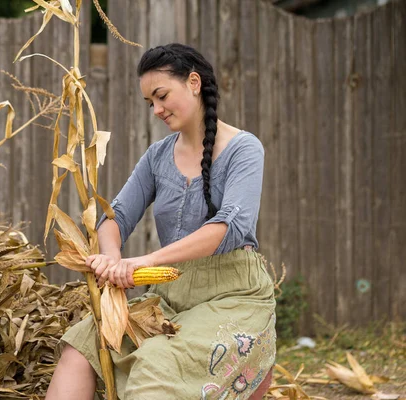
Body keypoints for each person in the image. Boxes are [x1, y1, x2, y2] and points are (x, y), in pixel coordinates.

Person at [45, 43, 276, 400]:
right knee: (82, 345)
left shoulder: (244, 149)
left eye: (161, 95)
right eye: (149, 102)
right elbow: (115, 217)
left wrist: (145, 261)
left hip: (232, 295)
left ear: (194, 83)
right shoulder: (157, 156)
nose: (156, 109)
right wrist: (112, 258)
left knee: (156, 362)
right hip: (168, 296)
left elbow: (229, 227)